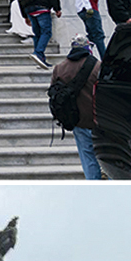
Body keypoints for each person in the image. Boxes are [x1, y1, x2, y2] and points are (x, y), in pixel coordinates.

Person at [49, 33, 102, 179]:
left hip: (77, 120)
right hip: (99, 120)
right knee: (107, 157)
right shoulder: (98, 67)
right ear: (88, 47)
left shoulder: (60, 68)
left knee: (87, 156)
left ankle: (93, 187)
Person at [18, 0, 62, 69]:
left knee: (37, 34)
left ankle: (40, 59)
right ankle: (38, 53)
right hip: (41, 8)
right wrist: (57, 8)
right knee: (46, 32)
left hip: (29, 10)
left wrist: (24, 15)